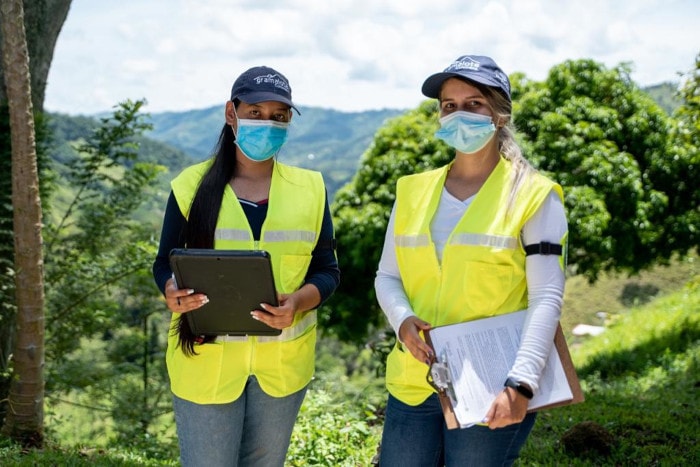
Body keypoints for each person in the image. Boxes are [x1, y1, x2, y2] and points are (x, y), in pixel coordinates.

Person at [374, 55, 568, 466]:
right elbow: (388, 275)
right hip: (417, 378)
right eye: (449, 105)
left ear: (499, 114)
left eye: (474, 103)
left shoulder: (535, 195)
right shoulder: (412, 190)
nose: (459, 114)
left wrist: (521, 384)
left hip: (493, 380)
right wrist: (403, 320)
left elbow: (547, 297)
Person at [152, 65, 340, 467]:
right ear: (231, 113)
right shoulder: (189, 186)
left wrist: (299, 303)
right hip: (206, 362)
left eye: (278, 116)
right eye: (255, 112)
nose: (266, 124)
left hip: (282, 367)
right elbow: (163, 262)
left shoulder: (311, 188)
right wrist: (170, 290)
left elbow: (327, 270)